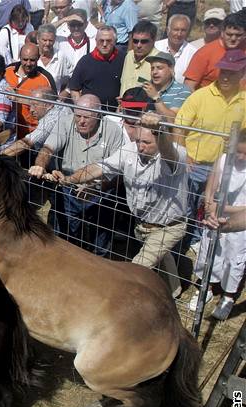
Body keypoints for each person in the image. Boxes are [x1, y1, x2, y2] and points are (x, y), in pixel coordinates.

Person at [51, 113, 188, 298]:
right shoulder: (130, 150)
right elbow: (98, 168)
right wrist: (69, 179)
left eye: (147, 142)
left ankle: (116, 300)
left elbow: (168, 153)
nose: (141, 146)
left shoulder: (176, 154)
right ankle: (175, 291)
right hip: (143, 223)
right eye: (138, 140)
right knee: (161, 255)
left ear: (161, 138)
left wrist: (160, 131)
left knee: (137, 267)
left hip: (169, 226)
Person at [28, 94, 125, 256]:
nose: (81, 121)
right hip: (68, 187)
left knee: (100, 242)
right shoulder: (66, 122)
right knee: (63, 238)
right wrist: (39, 166)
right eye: (78, 116)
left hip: (100, 192)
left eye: (87, 117)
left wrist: (97, 189)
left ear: (98, 114)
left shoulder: (113, 131)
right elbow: (47, 149)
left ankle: (98, 269)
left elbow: (118, 173)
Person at [175, 49, 246, 253]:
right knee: (186, 209)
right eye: (222, 71)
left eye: (231, 72)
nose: (224, 76)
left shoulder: (244, 101)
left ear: (242, 73)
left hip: (225, 170)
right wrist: (183, 153)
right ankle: (181, 249)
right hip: (194, 164)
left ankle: (200, 248)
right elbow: (180, 125)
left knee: (211, 210)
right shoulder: (200, 96)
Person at [190, 128, 246, 320]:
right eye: (237, 151)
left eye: (245, 153)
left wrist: (224, 208)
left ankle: (228, 296)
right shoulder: (223, 159)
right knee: (210, 250)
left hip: (239, 221)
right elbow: (212, 182)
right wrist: (208, 204)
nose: (240, 157)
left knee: (234, 257)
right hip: (214, 214)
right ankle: (207, 285)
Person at [4, 44, 57, 138]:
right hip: (7, 131)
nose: (28, 63)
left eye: (32, 60)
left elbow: (53, 107)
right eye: (25, 59)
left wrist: (18, 98)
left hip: (32, 133)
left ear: (38, 58)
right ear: (19, 57)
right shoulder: (7, 71)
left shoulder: (45, 78)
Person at [183, 13, 246, 91]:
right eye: (229, 34)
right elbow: (188, 86)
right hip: (209, 100)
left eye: (238, 35)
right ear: (222, 32)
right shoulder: (205, 53)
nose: (233, 38)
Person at [70, 26, 125, 111]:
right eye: (101, 40)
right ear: (96, 41)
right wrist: (81, 108)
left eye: (108, 41)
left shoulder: (123, 59)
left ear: (115, 42)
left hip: (115, 114)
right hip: (90, 115)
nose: (104, 44)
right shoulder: (85, 62)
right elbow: (74, 88)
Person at [1, 87, 67, 158]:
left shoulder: (51, 120)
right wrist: (17, 98)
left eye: (35, 105)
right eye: (30, 105)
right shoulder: (56, 104)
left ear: (48, 105)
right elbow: (37, 101)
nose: (31, 110)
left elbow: (26, 143)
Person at [142, 51, 191, 118]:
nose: (154, 72)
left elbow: (172, 120)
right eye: (152, 68)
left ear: (171, 69)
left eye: (159, 68)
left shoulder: (182, 90)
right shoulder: (143, 89)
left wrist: (156, 98)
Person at [154, 14, 197, 84]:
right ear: (168, 30)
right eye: (176, 30)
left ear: (188, 32)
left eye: (183, 30)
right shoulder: (156, 46)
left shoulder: (193, 53)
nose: (179, 34)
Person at [119, 20, 159, 95]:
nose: (139, 45)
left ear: (153, 40)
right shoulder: (129, 56)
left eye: (144, 41)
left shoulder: (160, 60)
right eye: (135, 41)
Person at [36, 24, 72, 98]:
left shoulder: (61, 57)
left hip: (54, 103)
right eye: (44, 40)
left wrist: (66, 91)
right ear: (38, 39)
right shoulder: (30, 54)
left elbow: (74, 77)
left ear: (55, 39)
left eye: (50, 40)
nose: (48, 43)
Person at [57, 9, 95, 76]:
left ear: (86, 24)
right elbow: (43, 32)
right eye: (73, 25)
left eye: (80, 24)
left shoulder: (94, 43)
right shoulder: (61, 42)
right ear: (68, 25)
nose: (76, 28)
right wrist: (64, 19)